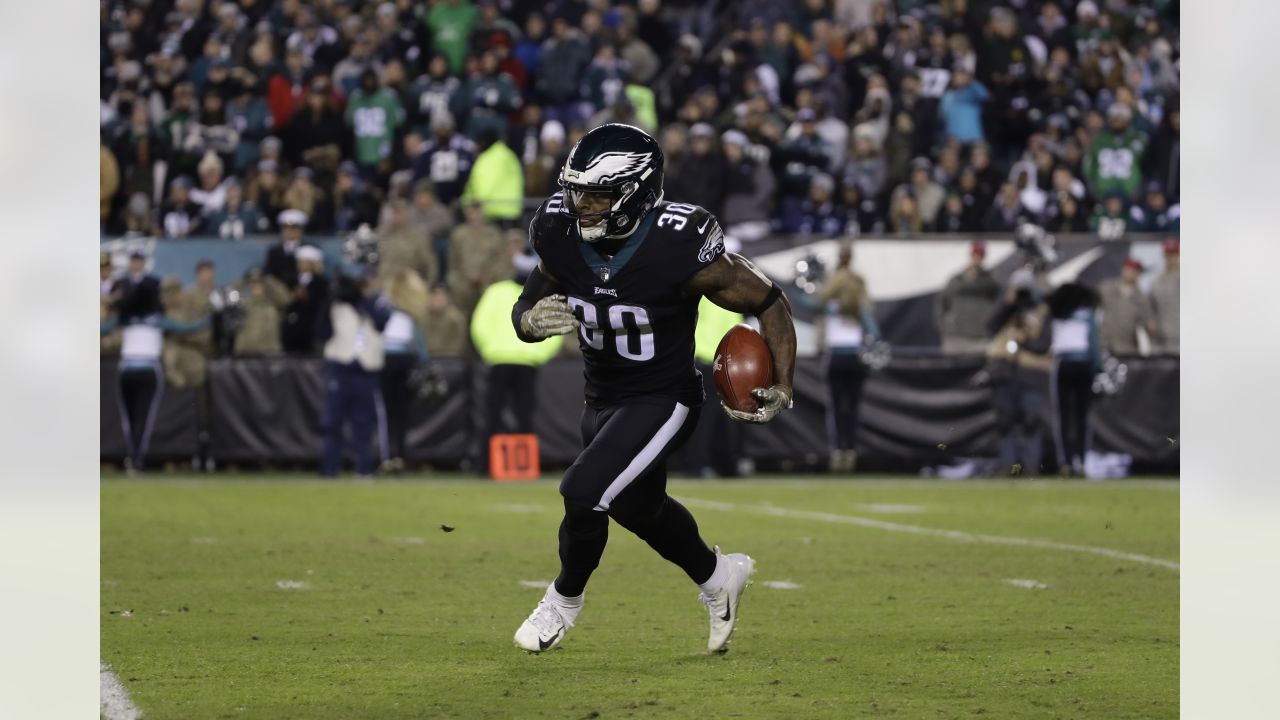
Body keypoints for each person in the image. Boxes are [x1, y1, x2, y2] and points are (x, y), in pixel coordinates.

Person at [508, 123, 797, 655]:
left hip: (665, 398)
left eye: (596, 194)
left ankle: (562, 601)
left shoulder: (678, 246)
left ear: (634, 193)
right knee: (640, 509)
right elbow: (532, 294)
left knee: (583, 491)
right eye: (577, 191)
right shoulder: (560, 230)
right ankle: (719, 578)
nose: (581, 205)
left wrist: (782, 382)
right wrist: (527, 320)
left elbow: (769, 300)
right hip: (601, 399)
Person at [101, 252, 210, 473]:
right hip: (148, 368)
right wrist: (210, 317)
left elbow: (103, 329)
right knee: (143, 418)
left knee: (129, 419)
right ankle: (137, 459)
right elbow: (189, 328)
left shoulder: (124, 319)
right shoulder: (157, 320)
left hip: (128, 368)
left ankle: (134, 457)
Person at [471, 244, 565, 471]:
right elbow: (557, 328)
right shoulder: (539, 294)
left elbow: (479, 326)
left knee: (496, 415)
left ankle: (486, 467)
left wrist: (490, 350)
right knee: (522, 415)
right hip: (522, 361)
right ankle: (522, 467)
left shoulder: (496, 291)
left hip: (503, 360)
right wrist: (537, 353)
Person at [315, 269, 392, 478]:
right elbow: (322, 333)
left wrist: (360, 300)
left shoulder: (378, 302)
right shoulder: (336, 304)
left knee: (364, 423)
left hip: (366, 370)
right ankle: (329, 469)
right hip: (340, 368)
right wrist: (329, 301)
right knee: (333, 421)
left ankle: (364, 468)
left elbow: (381, 322)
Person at [811, 244, 880, 474]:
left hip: (836, 358)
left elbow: (807, 301)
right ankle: (849, 450)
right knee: (852, 407)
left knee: (836, 408)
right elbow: (874, 332)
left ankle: (838, 450)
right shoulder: (858, 306)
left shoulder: (831, 304)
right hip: (855, 358)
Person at [985, 266, 1053, 476]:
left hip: (1031, 372)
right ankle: (1008, 466)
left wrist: (1025, 341)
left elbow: (1044, 343)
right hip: (1005, 370)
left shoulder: (1042, 310)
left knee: (1031, 420)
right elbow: (991, 326)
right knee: (1005, 420)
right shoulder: (1007, 309)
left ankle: (1031, 466)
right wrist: (1009, 304)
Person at [378, 268, 432, 474]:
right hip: (406, 360)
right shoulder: (412, 308)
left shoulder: (384, 304)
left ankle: (389, 456)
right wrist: (425, 362)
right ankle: (399, 454)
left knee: (388, 412)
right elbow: (418, 341)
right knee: (401, 412)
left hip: (387, 359)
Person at [1047, 282, 1102, 476]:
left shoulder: (1057, 313)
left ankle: (1067, 461)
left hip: (1063, 364)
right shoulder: (1087, 314)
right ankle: (1083, 460)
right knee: (1082, 416)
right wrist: (1098, 367)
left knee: (1063, 415)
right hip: (1084, 364)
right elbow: (1093, 342)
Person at [935, 241, 1001, 354]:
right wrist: (943, 327)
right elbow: (941, 303)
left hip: (979, 338)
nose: (977, 258)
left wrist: (977, 275)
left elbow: (993, 289)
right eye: (975, 255)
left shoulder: (989, 280)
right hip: (955, 337)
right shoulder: (956, 279)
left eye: (980, 255)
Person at [1098, 258, 1155, 356]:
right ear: (1123, 269)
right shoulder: (1107, 288)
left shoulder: (1141, 298)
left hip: (1127, 348)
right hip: (1105, 344)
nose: (1131, 273)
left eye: (1135, 271)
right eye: (1129, 269)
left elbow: (1147, 322)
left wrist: (1149, 326)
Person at [1150, 238, 1179, 353]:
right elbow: (1151, 308)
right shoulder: (1156, 281)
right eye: (1168, 254)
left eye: (1173, 254)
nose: (1170, 258)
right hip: (1161, 340)